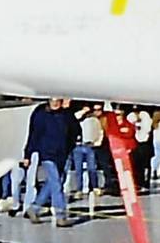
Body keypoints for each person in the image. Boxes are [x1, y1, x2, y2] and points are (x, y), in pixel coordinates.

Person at [21, 97, 75, 226]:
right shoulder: (41, 115)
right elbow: (34, 135)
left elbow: (74, 131)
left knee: (53, 183)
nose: (55, 103)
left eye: (58, 100)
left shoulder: (66, 115)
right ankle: (61, 215)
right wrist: (27, 154)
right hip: (47, 154)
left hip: (62, 153)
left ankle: (34, 208)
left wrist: (70, 147)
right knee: (56, 184)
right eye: (53, 100)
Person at [68, 104, 104, 198]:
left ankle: (94, 186)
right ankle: (79, 189)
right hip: (78, 145)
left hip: (89, 145)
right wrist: (83, 111)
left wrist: (97, 142)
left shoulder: (94, 120)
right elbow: (75, 116)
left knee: (92, 168)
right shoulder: (77, 120)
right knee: (78, 169)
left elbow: (100, 131)